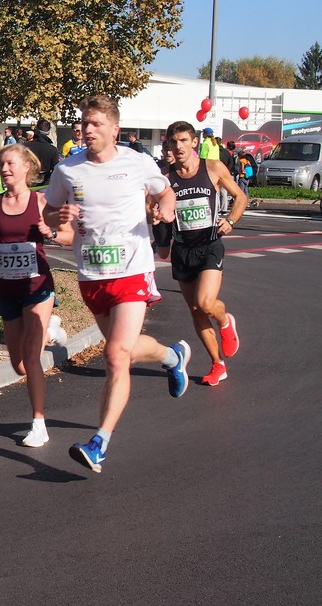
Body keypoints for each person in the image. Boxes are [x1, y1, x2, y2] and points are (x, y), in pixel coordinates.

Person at [43, 95, 191, 474]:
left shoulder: (137, 161)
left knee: (114, 356)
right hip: (91, 274)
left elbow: (165, 192)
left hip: (132, 270)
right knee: (120, 350)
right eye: (83, 123)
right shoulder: (67, 169)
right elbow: (49, 208)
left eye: (94, 123)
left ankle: (99, 442)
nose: (87, 130)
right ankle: (173, 357)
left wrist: (166, 210)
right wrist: (57, 213)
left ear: (114, 129)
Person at [0, 145, 73, 447]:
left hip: (37, 287)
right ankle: (51, 331)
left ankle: (39, 423)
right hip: (6, 288)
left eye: (11, 164)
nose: (5, 169)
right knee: (18, 364)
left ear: (27, 168)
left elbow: (68, 235)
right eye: (1, 164)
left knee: (31, 359)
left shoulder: (42, 202)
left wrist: (51, 232)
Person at [159, 121, 247, 387]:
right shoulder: (165, 178)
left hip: (209, 244)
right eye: (174, 142)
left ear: (194, 142)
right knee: (196, 310)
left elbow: (240, 197)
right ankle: (217, 364)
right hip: (182, 249)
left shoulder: (212, 168)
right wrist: (155, 215)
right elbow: (151, 208)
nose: (179, 147)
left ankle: (224, 319)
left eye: (184, 141)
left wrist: (230, 220)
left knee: (206, 303)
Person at [25, 119, 61, 185]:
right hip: (45, 186)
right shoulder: (52, 150)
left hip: (27, 184)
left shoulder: (25, 147)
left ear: (36, 129)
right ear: (49, 132)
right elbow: (56, 171)